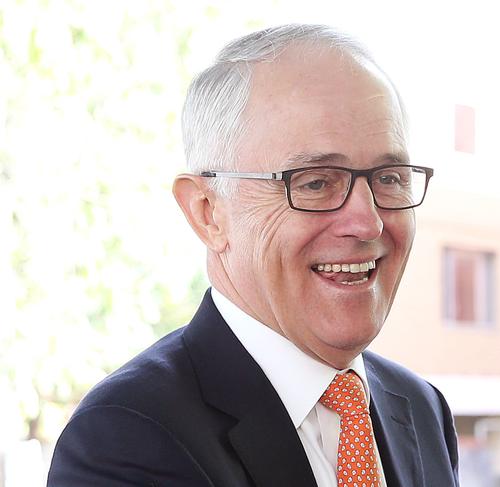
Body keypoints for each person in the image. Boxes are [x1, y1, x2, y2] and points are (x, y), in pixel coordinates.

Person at [47, 24, 459, 487]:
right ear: (208, 213)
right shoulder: (126, 437)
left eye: (389, 177)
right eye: (315, 182)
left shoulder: (421, 409)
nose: (368, 223)